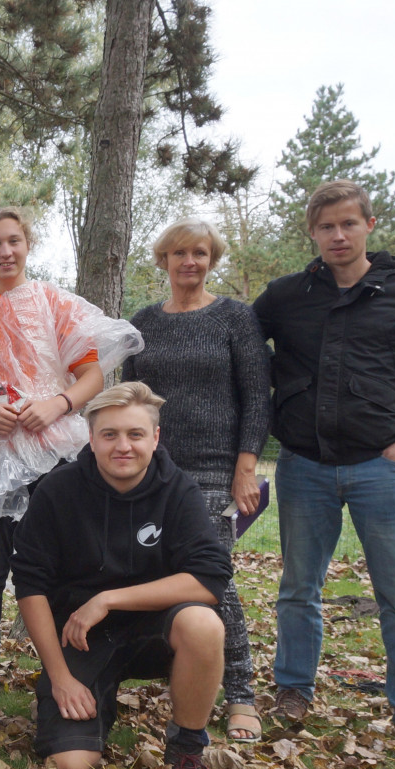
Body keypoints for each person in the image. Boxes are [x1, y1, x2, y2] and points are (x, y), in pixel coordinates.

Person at [254, 180, 395, 768]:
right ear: (313, 232)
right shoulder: (286, 297)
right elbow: (242, 352)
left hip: (384, 469)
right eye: (326, 226)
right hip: (305, 467)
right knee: (298, 588)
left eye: (348, 223)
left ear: (369, 225)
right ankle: (294, 691)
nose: (338, 235)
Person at [0, 207, 142, 696]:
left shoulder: (55, 304)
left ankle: (71, 669)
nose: (5, 251)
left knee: (68, 560)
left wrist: (58, 403)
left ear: (27, 245)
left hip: (57, 448)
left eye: (14, 241)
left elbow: (91, 375)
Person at [11, 382, 231, 769]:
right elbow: (30, 586)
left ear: (155, 437)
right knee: (72, 767)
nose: (122, 446)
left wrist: (109, 598)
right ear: (91, 440)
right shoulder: (58, 491)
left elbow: (209, 579)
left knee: (204, 624)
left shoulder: (178, 489)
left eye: (135, 434)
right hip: (82, 635)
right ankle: (95, 700)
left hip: (155, 627)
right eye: (109, 434)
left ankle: (186, 751)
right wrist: (59, 678)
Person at [124, 218, 271, 742]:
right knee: (153, 570)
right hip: (154, 470)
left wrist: (245, 466)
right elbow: (130, 400)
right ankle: (178, 667)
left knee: (213, 578)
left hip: (215, 469)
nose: (191, 262)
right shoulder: (144, 322)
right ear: (163, 260)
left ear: (212, 260)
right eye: (181, 253)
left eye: (201, 253)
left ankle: (241, 695)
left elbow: (257, 396)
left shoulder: (235, 317)